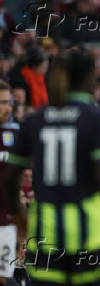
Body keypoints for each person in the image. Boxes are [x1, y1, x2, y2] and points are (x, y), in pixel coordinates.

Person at [5, 49, 100, 285]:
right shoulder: (97, 119)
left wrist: (19, 215)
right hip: (88, 234)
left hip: (44, 234)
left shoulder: (34, 120)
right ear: (88, 78)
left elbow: (8, 177)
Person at [0, 80, 20, 286]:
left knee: (4, 277)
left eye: (10, 102)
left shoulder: (14, 134)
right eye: (3, 102)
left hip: (6, 222)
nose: (9, 107)